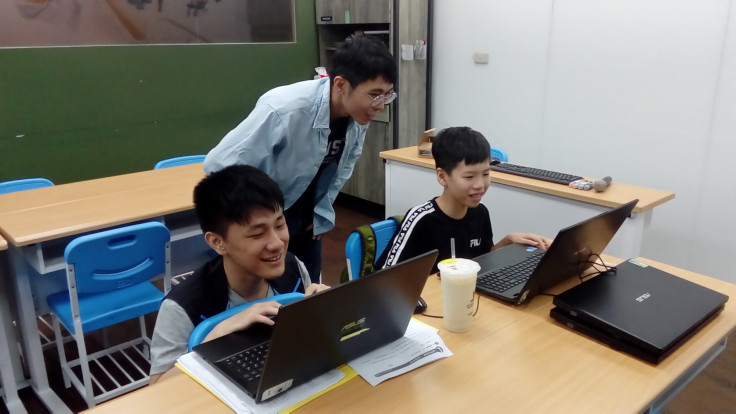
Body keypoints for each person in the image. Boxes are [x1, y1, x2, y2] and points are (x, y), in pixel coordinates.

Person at [203, 35, 397, 283]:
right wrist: (254, 222)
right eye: (375, 95)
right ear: (340, 84)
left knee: (307, 292)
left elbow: (342, 168)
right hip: (265, 221)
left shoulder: (358, 113)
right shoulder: (285, 110)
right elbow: (218, 165)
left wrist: (321, 212)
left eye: (387, 95)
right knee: (262, 296)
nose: (381, 105)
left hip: (305, 219)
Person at [149, 165, 329, 383]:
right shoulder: (182, 307)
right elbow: (158, 386)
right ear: (218, 242)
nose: (277, 243)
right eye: (257, 234)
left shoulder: (295, 269)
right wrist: (215, 338)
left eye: (280, 225)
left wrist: (326, 312)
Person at [377, 126, 552, 274]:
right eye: (469, 177)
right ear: (442, 177)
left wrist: (507, 242)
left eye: (486, 174)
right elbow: (384, 277)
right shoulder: (421, 219)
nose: (480, 185)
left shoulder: (480, 213)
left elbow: (482, 260)